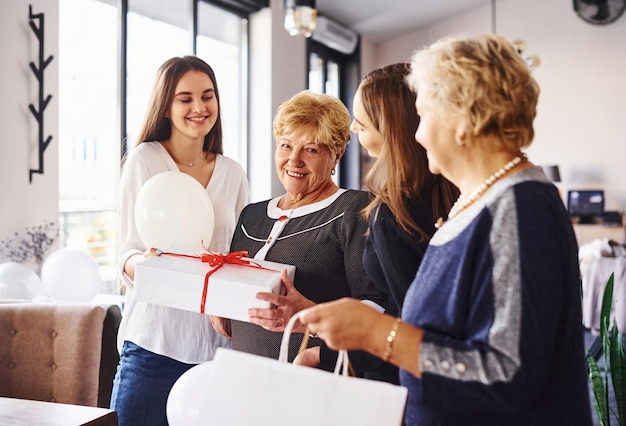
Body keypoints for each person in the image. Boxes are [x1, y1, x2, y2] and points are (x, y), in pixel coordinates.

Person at [298, 34, 593, 425]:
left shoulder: (521, 209)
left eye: (424, 115)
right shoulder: (477, 202)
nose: (416, 135)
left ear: (462, 119)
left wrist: (379, 334)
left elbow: (509, 375)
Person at [296, 64, 459, 384]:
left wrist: (327, 355)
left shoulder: (394, 213)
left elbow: (406, 321)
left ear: (391, 129)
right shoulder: (451, 191)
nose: (354, 129)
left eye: (362, 122)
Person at [111, 55, 250, 426]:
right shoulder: (144, 160)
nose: (199, 107)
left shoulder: (233, 173)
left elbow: (239, 256)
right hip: (153, 343)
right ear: (166, 106)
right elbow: (124, 254)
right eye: (185, 98)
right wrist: (147, 265)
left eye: (207, 96)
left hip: (216, 348)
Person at [211, 90, 387, 374]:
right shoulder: (251, 215)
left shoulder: (354, 209)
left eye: (312, 149)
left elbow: (376, 306)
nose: (294, 160)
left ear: (336, 155)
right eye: (285, 145)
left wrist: (309, 315)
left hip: (313, 381)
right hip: (244, 376)